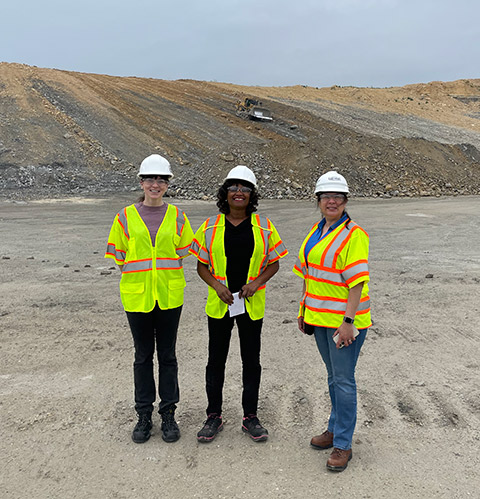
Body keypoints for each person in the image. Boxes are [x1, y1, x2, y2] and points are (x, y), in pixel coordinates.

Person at [189, 165, 288, 443]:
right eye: (233, 187)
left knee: (251, 361)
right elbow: (201, 266)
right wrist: (218, 286)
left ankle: (250, 417)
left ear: (252, 194)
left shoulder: (265, 227)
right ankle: (213, 416)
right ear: (226, 193)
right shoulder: (209, 227)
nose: (239, 192)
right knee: (216, 361)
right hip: (221, 304)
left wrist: (256, 283)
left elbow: (275, 263)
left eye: (245, 188)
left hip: (250, 305)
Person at [105, 154, 194, 444]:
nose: (155, 184)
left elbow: (183, 251)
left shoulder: (178, 216)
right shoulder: (124, 216)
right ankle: (144, 415)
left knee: (167, 356)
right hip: (137, 297)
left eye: (161, 180)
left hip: (169, 296)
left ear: (167, 184)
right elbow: (120, 257)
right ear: (142, 182)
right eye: (150, 179)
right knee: (142, 357)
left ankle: (168, 413)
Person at [293, 171, 371, 472]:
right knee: (333, 377)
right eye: (326, 196)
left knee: (343, 380)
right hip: (319, 319)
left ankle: (343, 444)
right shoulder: (316, 230)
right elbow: (308, 274)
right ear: (318, 200)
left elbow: (356, 283)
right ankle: (334, 428)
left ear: (346, 200)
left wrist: (349, 321)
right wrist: (303, 310)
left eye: (337, 197)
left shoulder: (355, 235)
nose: (332, 201)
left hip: (343, 324)